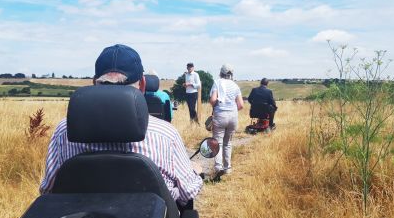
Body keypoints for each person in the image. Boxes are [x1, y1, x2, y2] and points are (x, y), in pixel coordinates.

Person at [39, 44, 203, 205]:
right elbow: (187, 192)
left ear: (95, 82)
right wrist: (195, 170)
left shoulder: (64, 130)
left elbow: (48, 190)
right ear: (143, 85)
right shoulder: (165, 134)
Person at [209, 64, 244, 174]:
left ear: (221, 73)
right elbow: (241, 105)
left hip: (220, 115)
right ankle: (228, 168)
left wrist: (215, 105)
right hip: (233, 116)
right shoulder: (235, 85)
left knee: (217, 142)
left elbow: (213, 99)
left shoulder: (217, 82)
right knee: (228, 143)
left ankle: (218, 167)